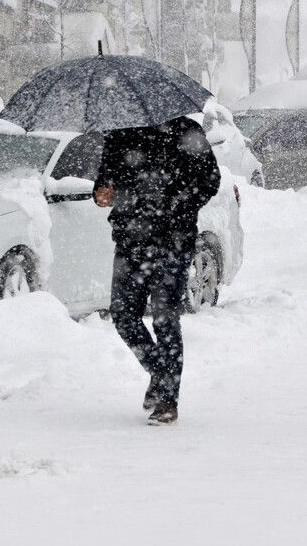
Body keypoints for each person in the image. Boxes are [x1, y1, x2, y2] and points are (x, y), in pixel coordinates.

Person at [94, 116, 221, 425]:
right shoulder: (119, 133)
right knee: (123, 315)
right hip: (129, 241)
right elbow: (105, 181)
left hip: (172, 241)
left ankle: (167, 401)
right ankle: (161, 372)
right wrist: (102, 192)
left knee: (165, 318)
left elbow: (210, 180)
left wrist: (176, 204)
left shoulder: (186, 131)